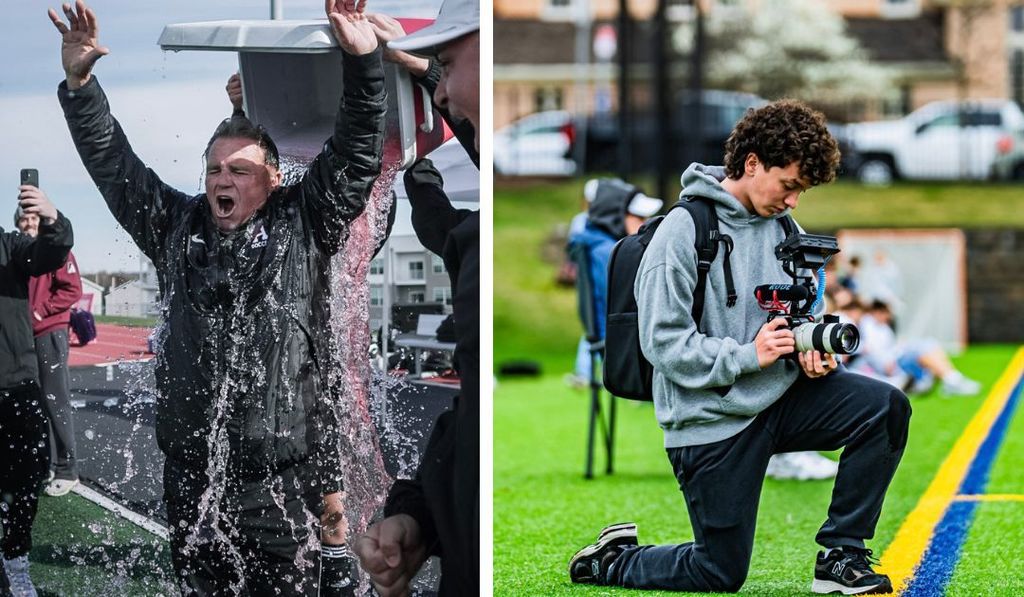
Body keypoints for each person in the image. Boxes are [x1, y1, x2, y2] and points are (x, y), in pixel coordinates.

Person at [49, 0, 384, 593]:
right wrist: (81, 87)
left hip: (279, 478)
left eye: (240, 170)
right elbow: (116, 169)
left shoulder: (307, 223)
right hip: (193, 477)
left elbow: (357, 152)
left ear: (273, 177)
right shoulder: (174, 228)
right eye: (214, 170)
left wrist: (363, 63)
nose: (224, 181)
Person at [568, 100, 912, 595]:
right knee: (718, 572)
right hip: (710, 418)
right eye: (789, 185)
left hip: (781, 397)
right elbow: (663, 344)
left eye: (803, 190)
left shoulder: (784, 228)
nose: (794, 201)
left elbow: (793, 313)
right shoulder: (682, 231)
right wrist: (750, 355)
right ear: (751, 163)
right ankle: (613, 560)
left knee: (884, 407)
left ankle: (842, 556)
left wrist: (808, 347)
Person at [353, 1, 479, 595]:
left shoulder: (480, 242)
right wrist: (420, 519)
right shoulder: (476, 243)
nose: (445, 88)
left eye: (450, 62)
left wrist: (423, 73)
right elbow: (467, 430)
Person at [1, 185, 73, 596]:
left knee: (28, 479)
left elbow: (52, 252)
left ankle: (16, 556)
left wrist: (51, 218)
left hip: (16, 386)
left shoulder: (11, 247)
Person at [15, 204, 83, 498]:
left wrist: (39, 313)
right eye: (24, 219)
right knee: (34, 403)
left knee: (56, 400)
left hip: (49, 332)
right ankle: (47, 465)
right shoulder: (18, 252)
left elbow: (72, 290)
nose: (29, 223)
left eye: (33, 218)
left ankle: (68, 470)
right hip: (26, 337)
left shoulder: (56, 251)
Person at [855, 300, 981, 396]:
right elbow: (871, 350)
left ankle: (951, 379)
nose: (889, 317)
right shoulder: (868, 325)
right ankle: (952, 380)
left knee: (929, 343)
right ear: (878, 312)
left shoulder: (883, 327)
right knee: (923, 349)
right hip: (892, 364)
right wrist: (886, 362)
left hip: (896, 357)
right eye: (887, 313)